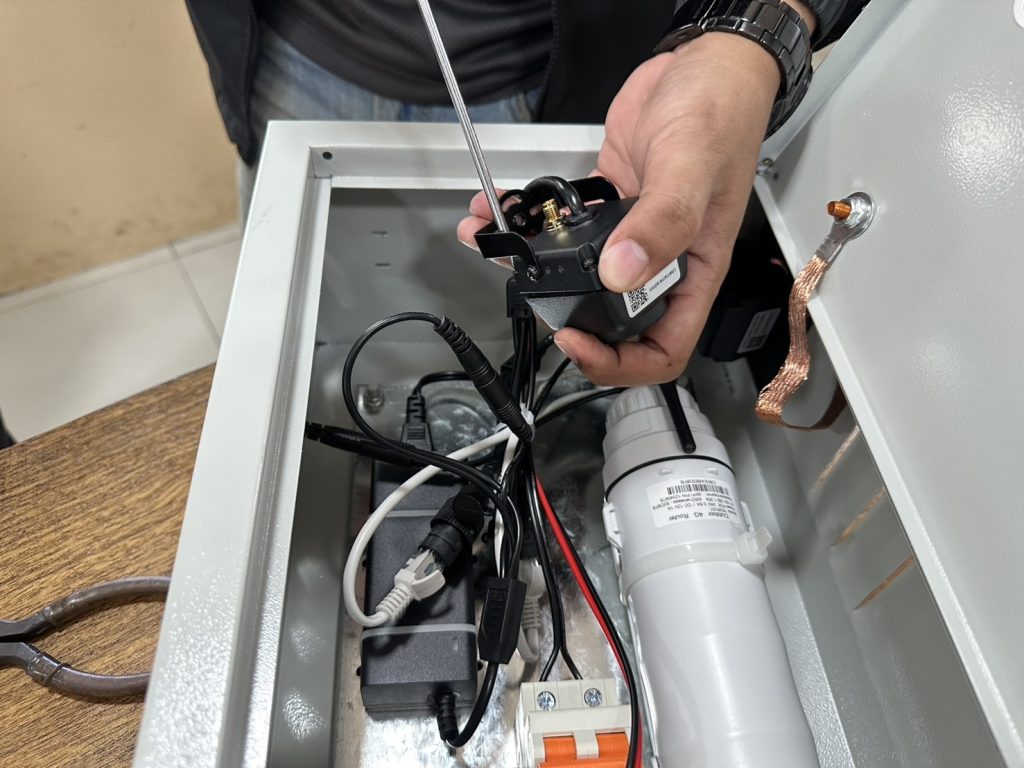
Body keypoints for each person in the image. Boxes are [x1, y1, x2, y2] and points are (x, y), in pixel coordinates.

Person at [185, 0, 864, 387]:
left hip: (572, 66)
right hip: (287, 54)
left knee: (544, 364)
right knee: (296, 340)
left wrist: (760, 28)